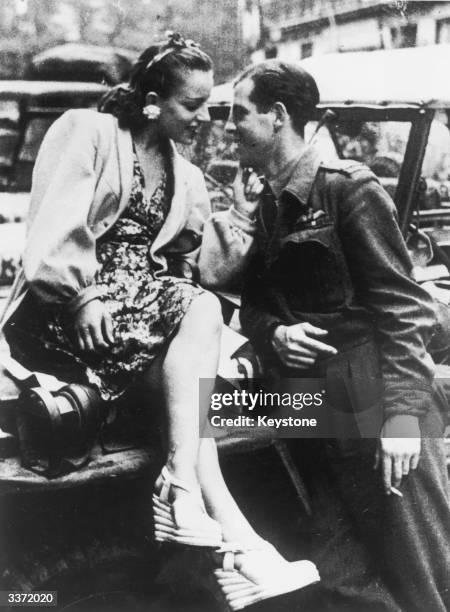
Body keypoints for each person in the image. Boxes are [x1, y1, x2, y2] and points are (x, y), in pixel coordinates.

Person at [0, 36, 319, 611]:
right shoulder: (89, 133)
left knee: (190, 401)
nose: (206, 119)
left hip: (137, 322)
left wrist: (244, 218)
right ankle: (203, 512)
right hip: (66, 317)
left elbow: (195, 266)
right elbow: (52, 226)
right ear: (152, 101)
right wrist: (82, 297)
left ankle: (236, 550)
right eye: (193, 106)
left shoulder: (186, 174)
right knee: (195, 308)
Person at [229, 60, 450, 612]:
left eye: (239, 114)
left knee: (424, 577)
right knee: (347, 583)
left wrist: (402, 419)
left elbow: (406, 310)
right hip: (314, 416)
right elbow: (253, 306)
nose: (230, 126)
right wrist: (275, 333)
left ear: (278, 116)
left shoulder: (348, 190)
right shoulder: (269, 205)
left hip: (379, 414)